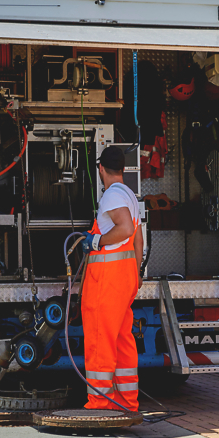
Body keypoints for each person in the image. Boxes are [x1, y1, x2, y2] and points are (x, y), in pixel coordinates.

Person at [80, 146, 143, 412]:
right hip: (125, 276)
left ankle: (100, 402)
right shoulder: (129, 195)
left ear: (101, 169)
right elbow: (137, 238)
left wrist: (97, 241)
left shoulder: (111, 196)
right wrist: (137, 274)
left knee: (100, 338)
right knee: (121, 339)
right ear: (123, 169)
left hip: (107, 280)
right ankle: (127, 401)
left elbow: (125, 228)